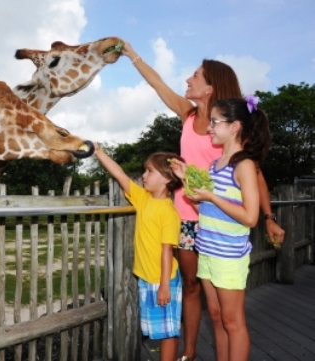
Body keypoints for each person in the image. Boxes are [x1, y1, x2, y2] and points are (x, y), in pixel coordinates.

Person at [121, 41, 285, 361]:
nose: (187, 79)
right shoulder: (188, 114)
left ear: (210, 87)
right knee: (192, 286)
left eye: (195, 75)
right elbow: (157, 83)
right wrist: (131, 54)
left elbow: (255, 176)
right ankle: (190, 351)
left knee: (222, 307)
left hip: (217, 220)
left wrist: (268, 217)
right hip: (186, 214)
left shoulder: (230, 130)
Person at [170, 96, 271, 360]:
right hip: (208, 251)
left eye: (215, 122)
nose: (210, 127)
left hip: (228, 256)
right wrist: (187, 181)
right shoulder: (215, 166)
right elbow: (206, 211)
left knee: (233, 322)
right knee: (216, 317)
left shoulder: (244, 165)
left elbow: (250, 217)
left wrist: (213, 197)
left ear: (235, 126)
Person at [93, 145, 184, 361]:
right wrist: (98, 152)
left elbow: (166, 251)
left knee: (168, 332)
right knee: (159, 327)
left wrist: (163, 286)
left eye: (150, 171)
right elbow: (119, 174)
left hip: (164, 280)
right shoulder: (143, 199)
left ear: (167, 179)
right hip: (147, 278)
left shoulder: (169, 213)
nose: (143, 175)